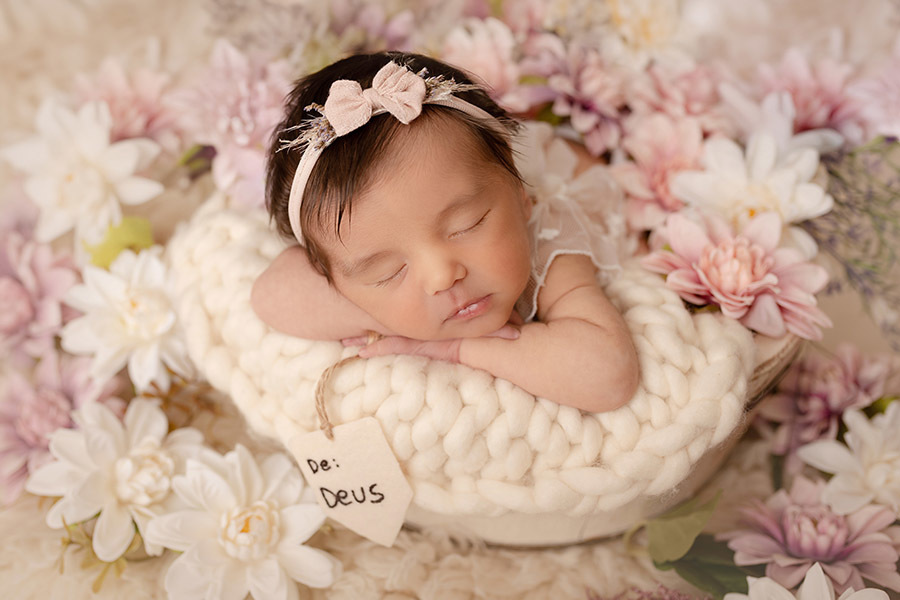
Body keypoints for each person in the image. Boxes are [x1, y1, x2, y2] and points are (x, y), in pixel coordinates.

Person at [251, 51, 639, 413]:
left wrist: (459, 347)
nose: (442, 277)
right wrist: (401, 322)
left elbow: (609, 377)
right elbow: (270, 295)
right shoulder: (351, 256)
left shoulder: (550, 241)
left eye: (466, 226)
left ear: (521, 197)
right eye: (387, 272)